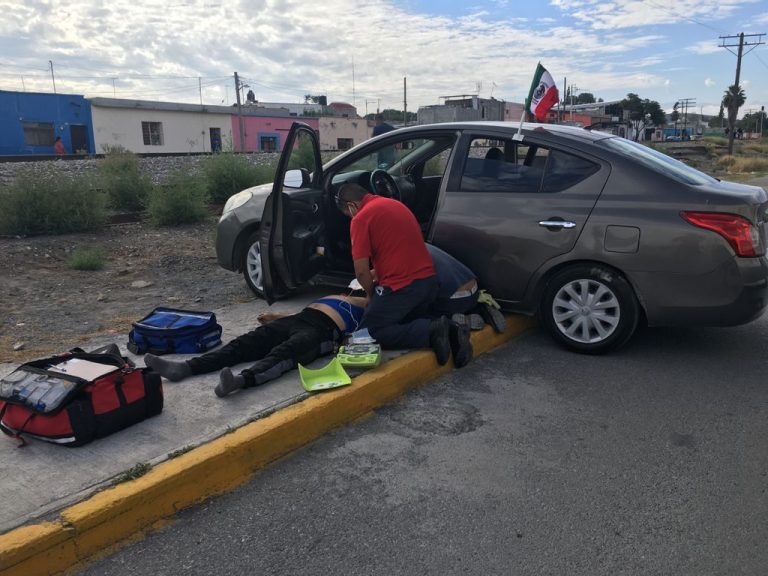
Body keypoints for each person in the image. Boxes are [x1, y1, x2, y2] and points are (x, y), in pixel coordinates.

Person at [335, 182, 472, 368]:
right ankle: (453, 332)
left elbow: (360, 272)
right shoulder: (394, 205)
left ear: (352, 205)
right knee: (401, 321)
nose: (349, 217)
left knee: (368, 332)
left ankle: (433, 330)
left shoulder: (361, 218)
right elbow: (399, 250)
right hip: (429, 283)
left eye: (347, 214)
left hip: (403, 287)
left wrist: (371, 295)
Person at [144, 294, 367, 397]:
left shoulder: (369, 305)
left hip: (323, 331)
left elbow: (367, 331)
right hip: (299, 318)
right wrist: (276, 316)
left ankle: (240, 381)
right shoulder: (341, 293)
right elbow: (304, 310)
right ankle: (185, 368)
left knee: (284, 354)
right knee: (245, 343)